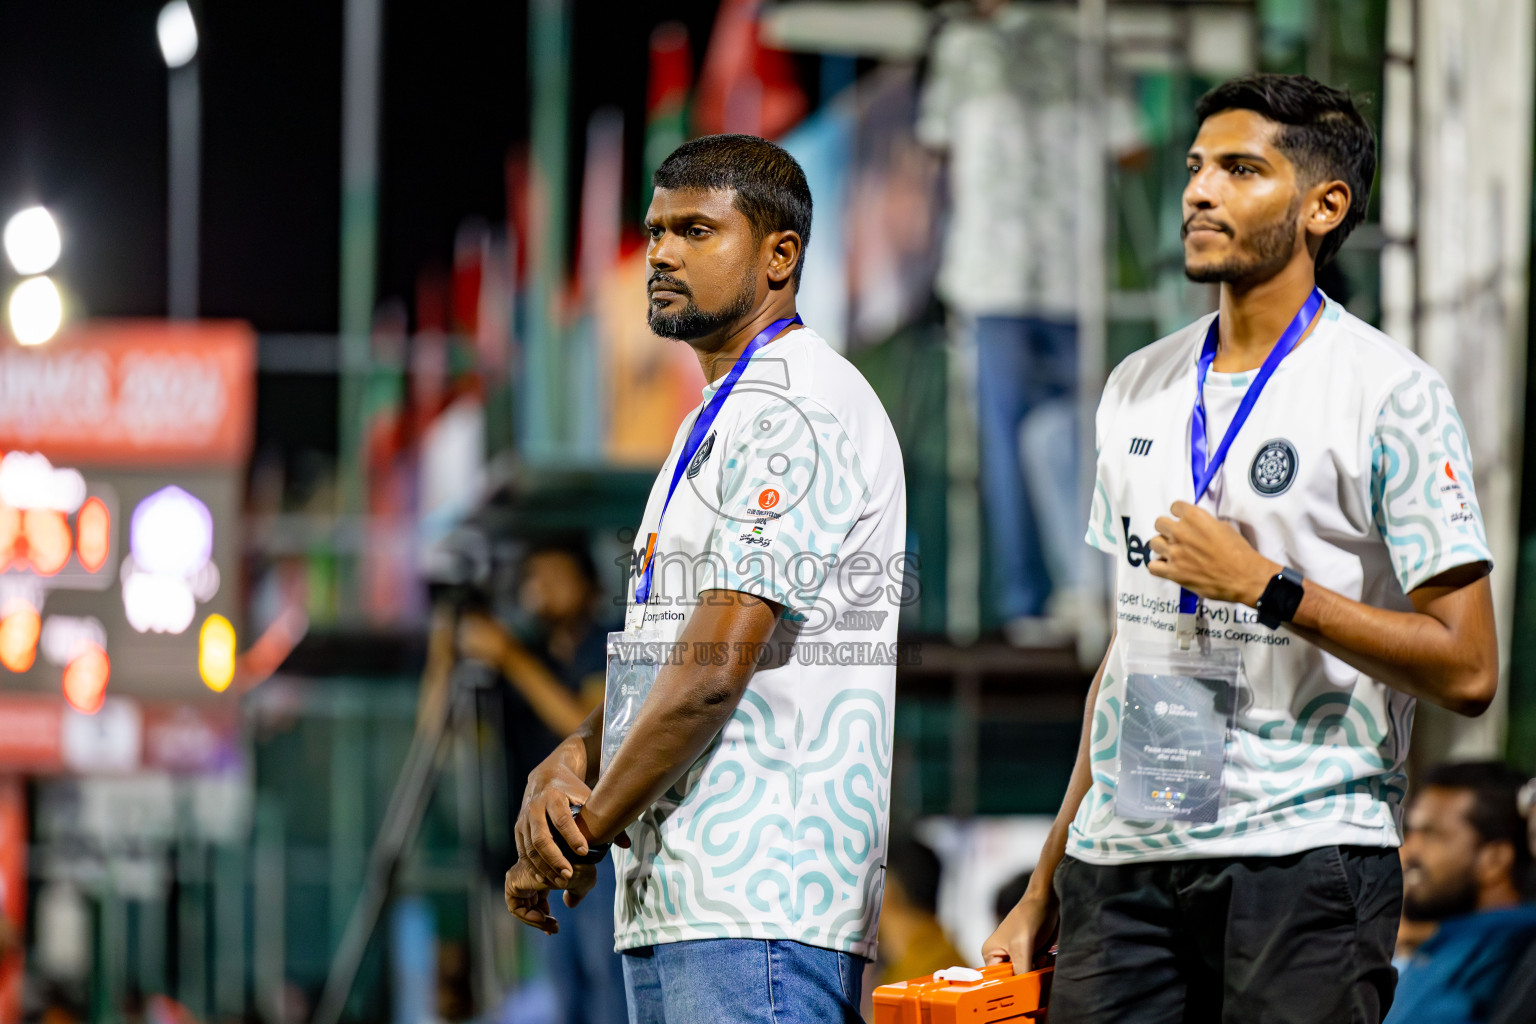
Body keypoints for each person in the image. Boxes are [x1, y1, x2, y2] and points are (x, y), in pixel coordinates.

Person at [984, 73, 1499, 1024]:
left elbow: (1468, 667)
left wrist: (1268, 587)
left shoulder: (1390, 392)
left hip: (1306, 854)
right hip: (1123, 861)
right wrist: (1043, 881)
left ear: (1323, 206)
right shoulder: (1135, 386)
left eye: (1239, 168)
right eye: (1194, 167)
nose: (1197, 191)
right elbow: (1125, 661)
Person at [503, 134, 908, 1024]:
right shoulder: (713, 420)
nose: (662, 253)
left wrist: (579, 834)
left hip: (762, 906)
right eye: (654, 231)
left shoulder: (800, 403)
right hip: (691, 903)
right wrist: (576, 752)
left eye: (696, 229)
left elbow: (717, 665)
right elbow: (671, 661)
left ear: (780, 255)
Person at [456, 538, 627, 1024]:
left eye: (556, 575)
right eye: (535, 577)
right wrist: (447, 654)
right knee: (564, 987)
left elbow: (585, 725)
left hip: (598, 838)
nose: (542, 589)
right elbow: (449, 733)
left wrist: (511, 659)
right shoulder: (526, 649)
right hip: (543, 843)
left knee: (605, 982)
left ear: (588, 586)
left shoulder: (605, 641)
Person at [1384, 762, 1536, 1024]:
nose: (1407, 852)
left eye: (1431, 835)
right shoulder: (1437, 948)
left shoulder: (1504, 954)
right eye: (1409, 831)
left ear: (1495, 860)